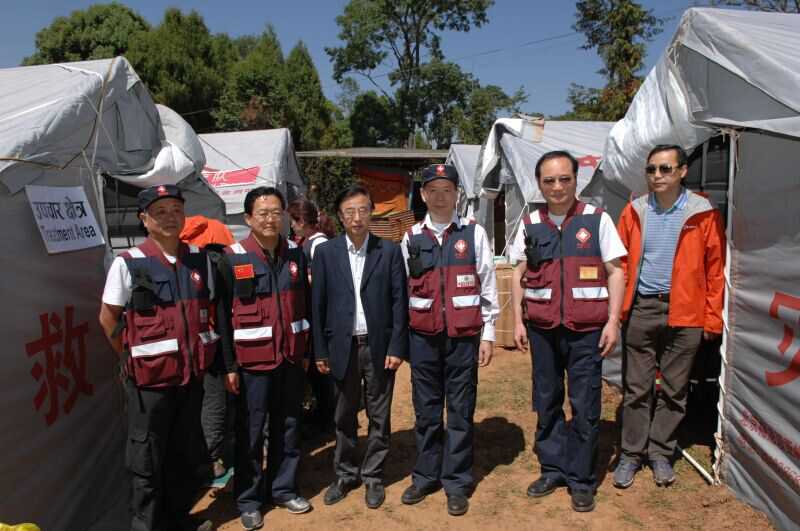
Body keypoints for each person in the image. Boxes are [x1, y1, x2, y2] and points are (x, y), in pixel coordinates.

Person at [511, 151, 627, 513]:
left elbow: (616, 272)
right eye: (549, 180)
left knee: (585, 403)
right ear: (539, 184)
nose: (557, 187)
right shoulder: (530, 223)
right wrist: (518, 321)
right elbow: (518, 273)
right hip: (543, 329)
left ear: (577, 179)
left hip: (586, 330)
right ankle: (553, 469)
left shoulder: (596, 219)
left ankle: (581, 479)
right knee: (546, 400)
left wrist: (613, 321)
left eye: (565, 179)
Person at [98, 184, 215, 531]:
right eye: (160, 212)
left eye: (176, 210)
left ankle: (178, 521)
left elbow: (206, 311)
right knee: (146, 461)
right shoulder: (128, 263)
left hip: (189, 379)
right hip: (149, 383)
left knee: (182, 454)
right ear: (144, 219)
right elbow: (108, 318)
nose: (169, 218)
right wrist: (129, 358)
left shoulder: (198, 258)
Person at [613, 145, 725, 489]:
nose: (657, 175)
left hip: (686, 311)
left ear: (682, 171)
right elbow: (620, 263)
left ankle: (660, 452)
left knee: (675, 390)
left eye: (665, 168)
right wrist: (620, 308)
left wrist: (712, 318)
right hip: (642, 309)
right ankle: (631, 454)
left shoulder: (703, 212)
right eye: (651, 169)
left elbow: (715, 269)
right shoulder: (634, 211)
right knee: (636, 389)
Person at [399, 164, 499, 517]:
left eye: (447, 190)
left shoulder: (474, 233)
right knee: (426, 411)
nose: (440, 197)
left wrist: (488, 334)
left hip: (463, 338)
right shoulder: (411, 237)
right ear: (423, 195)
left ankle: (456, 482)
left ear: (457, 194)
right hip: (423, 339)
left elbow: (488, 285)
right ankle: (426, 476)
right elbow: (403, 291)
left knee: (459, 411)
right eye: (433, 190)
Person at [216, 187, 312, 531]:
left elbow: (305, 305)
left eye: (276, 212)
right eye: (263, 213)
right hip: (251, 364)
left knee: (289, 426)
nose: (271, 219)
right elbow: (221, 318)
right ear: (248, 218)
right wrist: (229, 366)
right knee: (251, 432)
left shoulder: (296, 254)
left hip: (290, 358)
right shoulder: (232, 258)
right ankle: (249, 499)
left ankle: (283, 489)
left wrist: (305, 352)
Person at [311, 184, 408, 510]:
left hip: (378, 347)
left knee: (379, 416)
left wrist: (397, 346)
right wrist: (320, 350)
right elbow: (317, 304)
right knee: (343, 415)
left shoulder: (389, 251)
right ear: (340, 216)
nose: (357, 217)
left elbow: (399, 302)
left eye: (363, 210)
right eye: (350, 211)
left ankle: (373, 476)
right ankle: (345, 473)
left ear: (371, 213)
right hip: (342, 347)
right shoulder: (326, 253)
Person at [181, 215, 236, 480]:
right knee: (216, 400)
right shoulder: (218, 235)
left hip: (189, 338)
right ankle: (212, 458)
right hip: (215, 335)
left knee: (198, 402)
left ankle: (204, 454)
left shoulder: (181, 249)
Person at [288, 198, 337, 433]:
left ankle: (328, 417)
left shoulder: (318, 244)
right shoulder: (308, 242)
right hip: (314, 314)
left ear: (301, 221)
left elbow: (325, 282)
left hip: (321, 316)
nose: (291, 225)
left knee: (321, 371)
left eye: (293, 220)